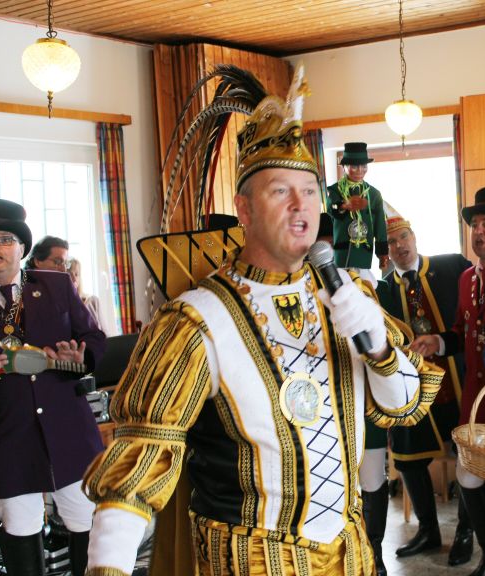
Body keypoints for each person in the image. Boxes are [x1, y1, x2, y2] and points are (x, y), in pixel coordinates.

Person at [82, 75, 443, 576]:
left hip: (350, 555)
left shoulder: (349, 298)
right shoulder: (195, 320)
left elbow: (403, 406)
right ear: (244, 209)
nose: (301, 205)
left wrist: (380, 345)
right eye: (280, 191)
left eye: (310, 191)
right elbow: (138, 464)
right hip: (249, 562)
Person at [411, 186, 485, 576]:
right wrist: (438, 341)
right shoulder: (466, 278)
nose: (478, 231)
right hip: (476, 399)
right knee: (468, 476)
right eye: (475, 224)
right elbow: (462, 333)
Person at [0, 199, 106, 576]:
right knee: (19, 528)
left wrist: (82, 356)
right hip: (8, 437)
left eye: (5, 239)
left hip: (68, 430)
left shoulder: (55, 285)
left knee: (87, 521)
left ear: (22, 248)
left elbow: (94, 338)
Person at [376, 214, 472, 563]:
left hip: (457, 381)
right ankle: (428, 530)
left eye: (404, 237)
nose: (400, 245)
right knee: (406, 456)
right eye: (391, 242)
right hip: (413, 391)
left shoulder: (452, 267)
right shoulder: (381, 290)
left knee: (469, 457)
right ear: (386, 251)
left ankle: (466, 531)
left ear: (414, 237)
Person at [327, 142, 389, 271]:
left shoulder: (374, 194)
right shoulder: (334, 190)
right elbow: (331, 210)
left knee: (364, 282)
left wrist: (382, 253)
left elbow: (380, 226)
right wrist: (344, 205)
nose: (360, 170)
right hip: (341, 254)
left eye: (364, 166)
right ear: (344, 167)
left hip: (364, 253)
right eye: (355, 166)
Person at [68, 258, 110, 334]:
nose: (74, 279)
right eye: (69, 274)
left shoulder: (93, 301)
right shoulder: (62, 306)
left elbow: (105, 333)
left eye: (76, 274)